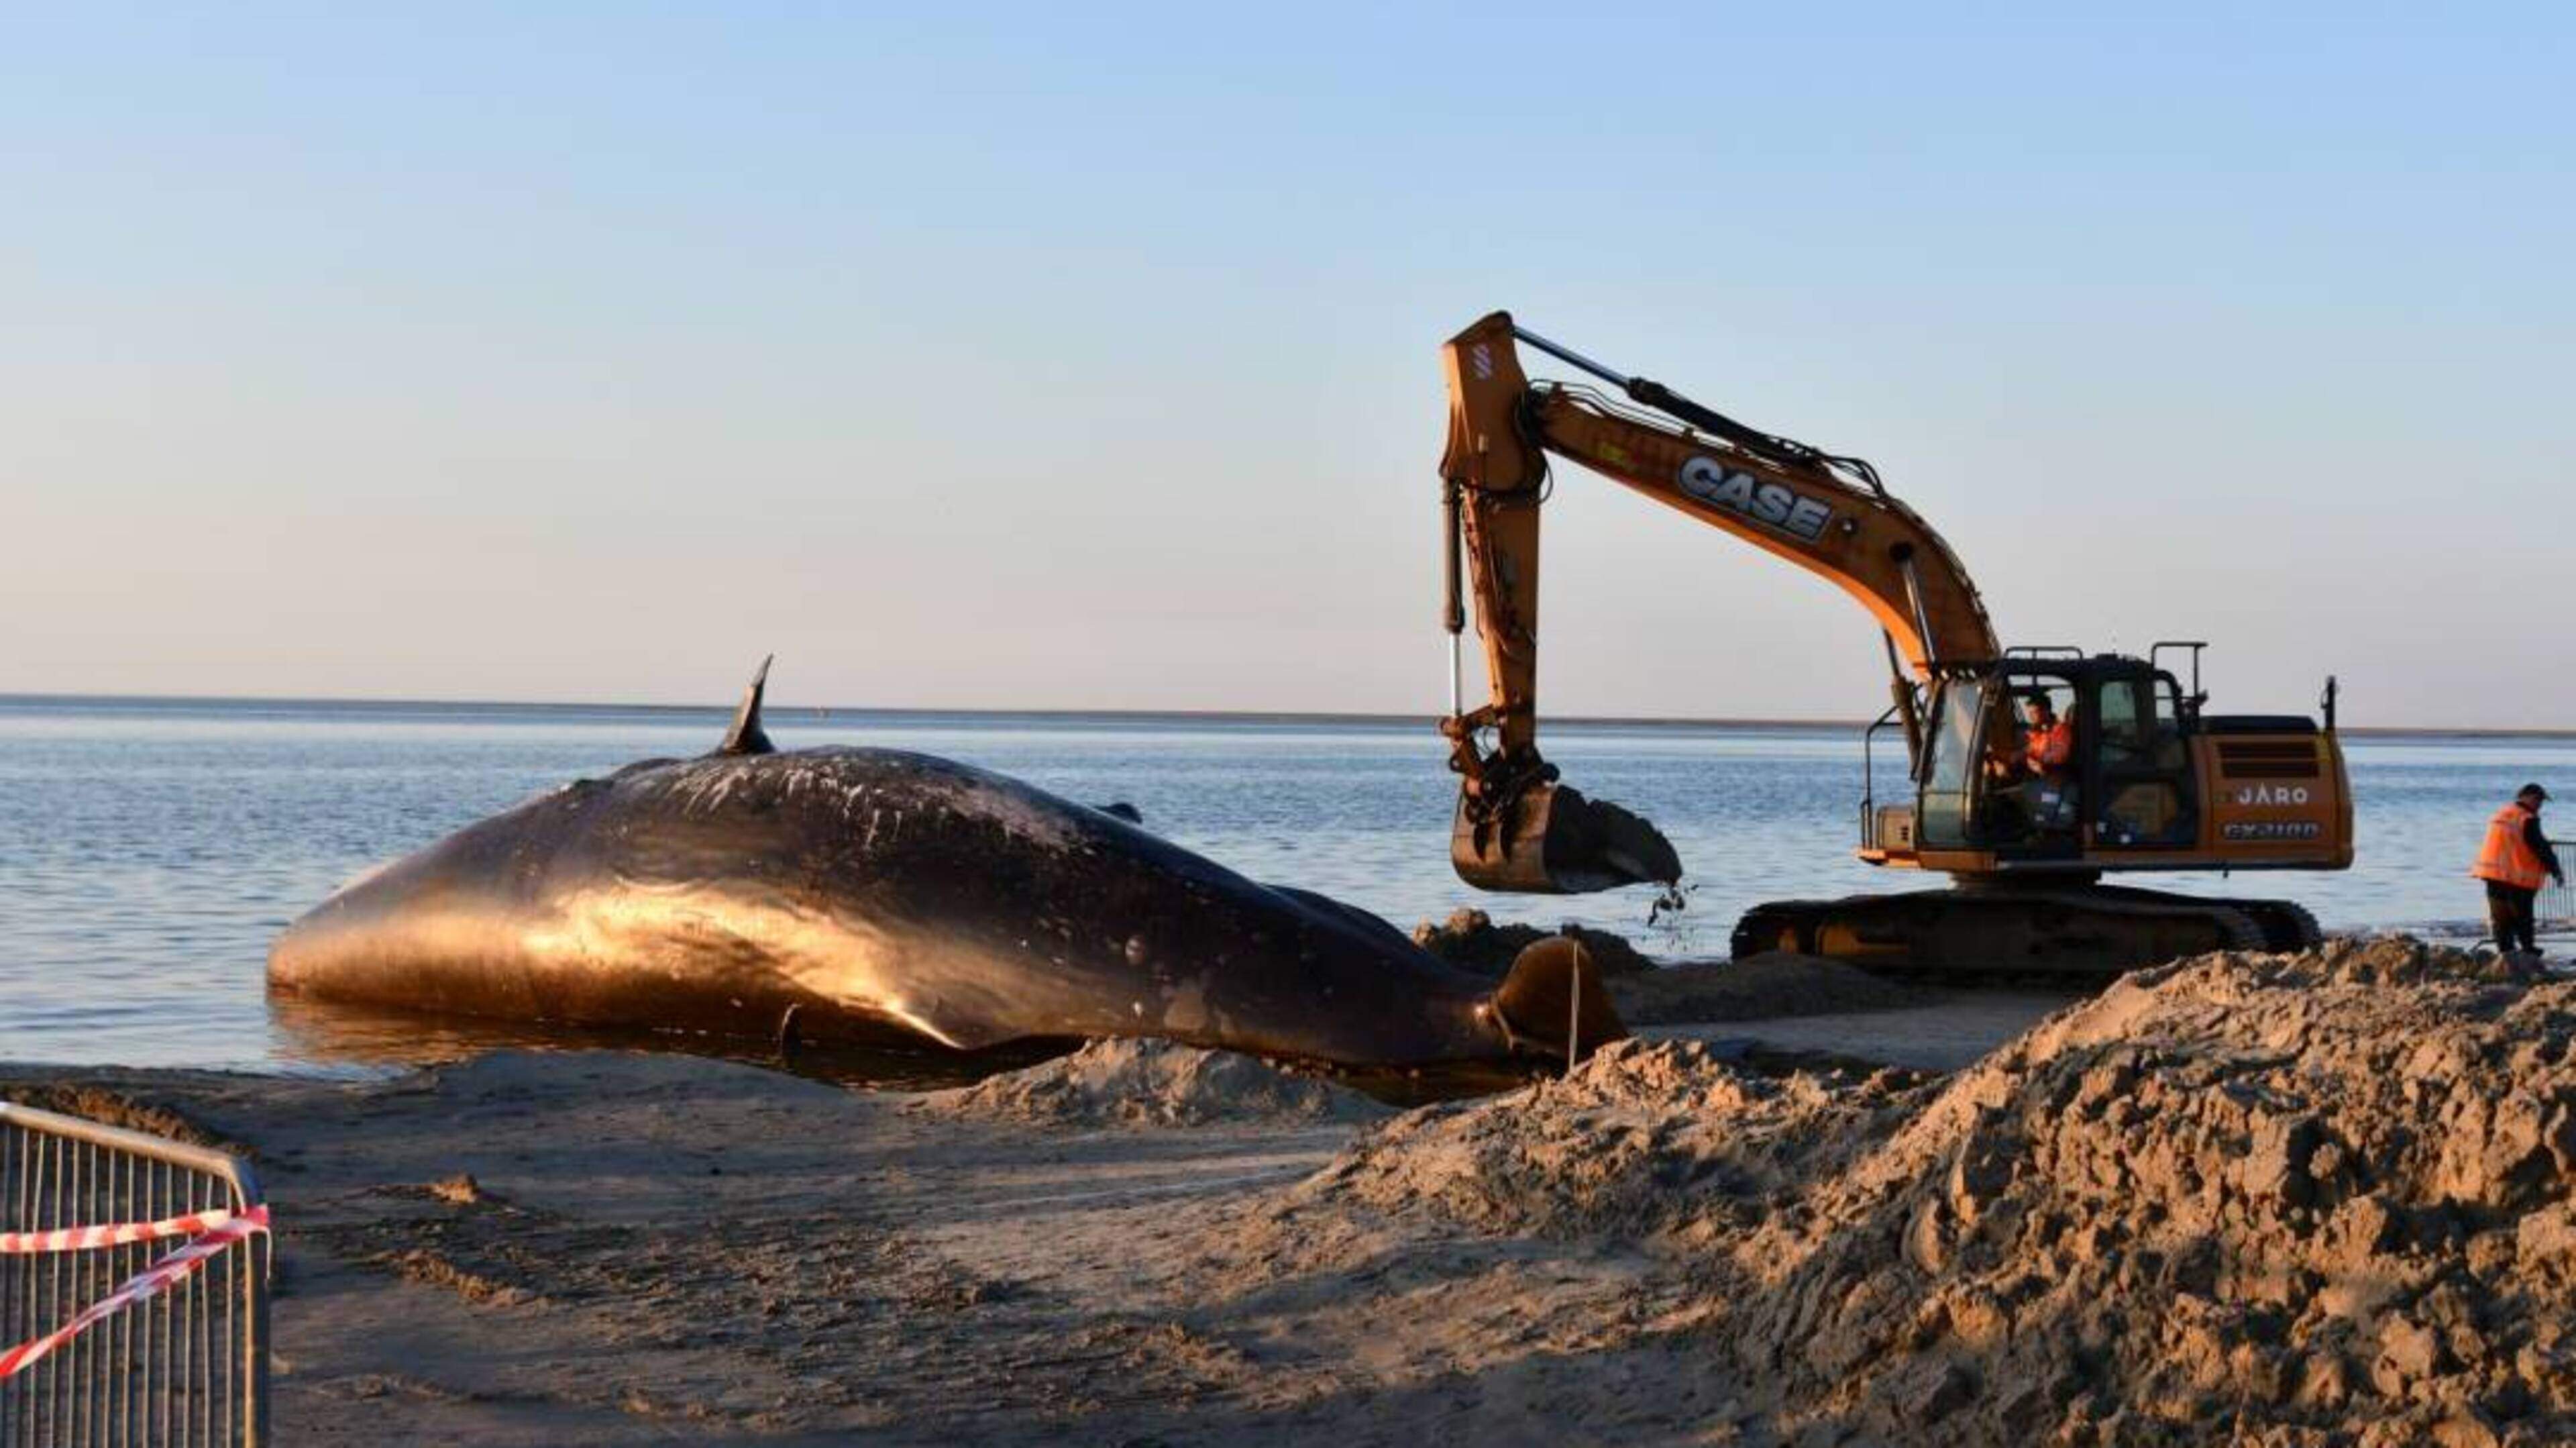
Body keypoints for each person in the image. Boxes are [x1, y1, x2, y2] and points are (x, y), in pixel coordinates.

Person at [2472, 783, 2563, 960]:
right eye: (2538, 800)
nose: (2539, 805)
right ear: (2527, 797)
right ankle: (2528, 950)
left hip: (2493, 873)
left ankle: (2505, 953)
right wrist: (2555, 868)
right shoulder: (2526, 818)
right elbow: (2539, 846)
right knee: (2523, 916)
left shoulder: (2502, 813)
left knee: (2500, 917)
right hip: (2516, 876)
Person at [2023, 694, 2074, 780]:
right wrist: (2019, 756)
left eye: (2034, 713)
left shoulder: (2060, 729)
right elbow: (2031, 749)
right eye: (2029, 713)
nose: (2030, 717)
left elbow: (2060, 754)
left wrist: (2038, 761)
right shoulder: (2037, 731)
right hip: (2036, 773)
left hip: (2054, 776)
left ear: (2046, 711)